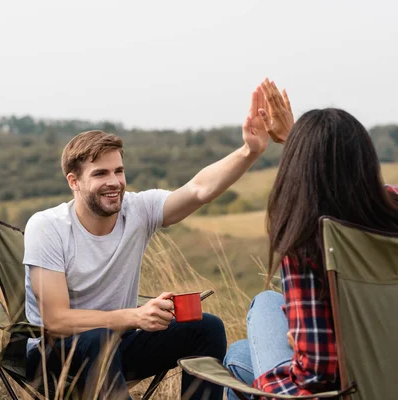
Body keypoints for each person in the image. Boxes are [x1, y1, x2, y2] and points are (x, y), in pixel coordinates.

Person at [23, 84, 272, 399]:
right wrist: (134, 316)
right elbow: (55, 320)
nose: (114, 182)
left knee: (206, 328)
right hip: (54, 357)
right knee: (98, 338)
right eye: (100, 174)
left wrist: (250, 151)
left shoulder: (137, 211)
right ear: (74, 181)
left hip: (118, 345)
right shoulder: (48, 227)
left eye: (119, 171)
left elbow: (198, 190)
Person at [223, 79, 398, 399]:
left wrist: (287, 359)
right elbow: (369, 193)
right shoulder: (391, 215)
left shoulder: (309, 241)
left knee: (258, 317)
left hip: (339, 391)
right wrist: (296, 139)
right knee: (239, 354)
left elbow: (316, 373)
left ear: (295, 171)